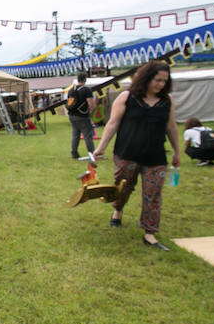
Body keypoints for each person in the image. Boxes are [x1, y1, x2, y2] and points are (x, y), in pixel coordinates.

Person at [93, 60, 180, 251]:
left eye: (165, 81)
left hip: (156, 157)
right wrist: (101, 148)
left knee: (153, 194)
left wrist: (177, 151)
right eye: (157, 80)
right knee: (123, 188)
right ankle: (117, 211)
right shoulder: (127, 97)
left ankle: (149, 233)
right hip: (127, 154)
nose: (161, 85)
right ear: (146, 78)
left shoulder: (168, 101)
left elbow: (171, 127)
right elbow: (112, 124)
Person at [67, 71, 96, 159]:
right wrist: (91, 112)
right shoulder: (86, 90)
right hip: (82, 115)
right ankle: (92, 154)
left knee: (75, 135)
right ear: (85, 80)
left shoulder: (71, 90)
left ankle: (74, 153)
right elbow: (91, 104)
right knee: (88, 135)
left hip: (72, 115)